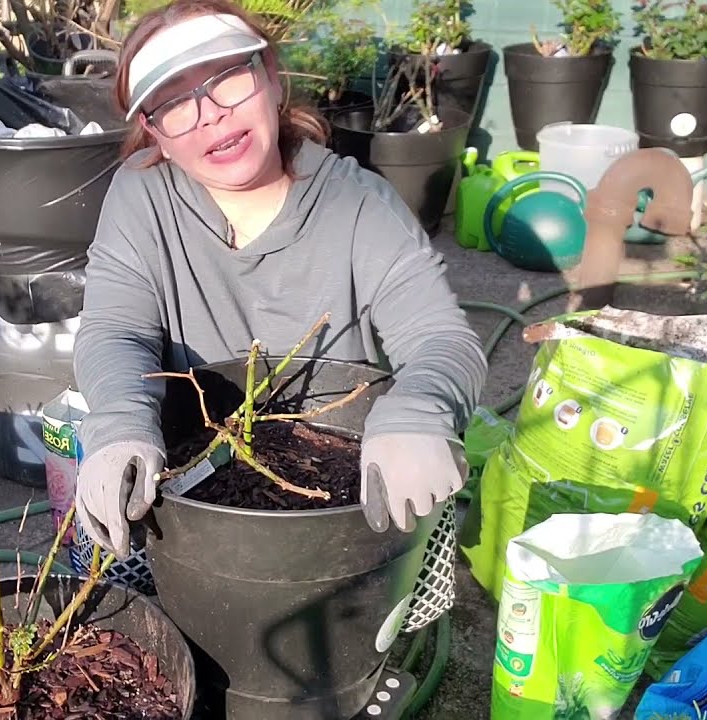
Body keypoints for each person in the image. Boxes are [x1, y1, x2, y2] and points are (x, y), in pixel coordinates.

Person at [71, 0, 487, 560]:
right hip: (195, 491)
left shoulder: (357, 205)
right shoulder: (141, 197)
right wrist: (120, 423)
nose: (211, 114)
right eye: (174, 104)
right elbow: (116, 330)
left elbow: (442, 338)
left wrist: (418, 411)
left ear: (270, 75)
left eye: (227, 80)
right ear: (153, 131)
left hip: (342, 495)